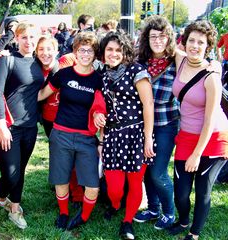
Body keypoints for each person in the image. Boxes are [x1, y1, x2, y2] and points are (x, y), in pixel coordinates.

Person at [167, 20, 228, 240]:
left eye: (200, 42)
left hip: (213, 138)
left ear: (208, 46)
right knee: (181, 192)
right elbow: (160, 41)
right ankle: (183, 220)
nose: (194, 45)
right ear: (184, 41)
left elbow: (210, 120)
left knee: (203, 190)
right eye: (191, 40)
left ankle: (194, 233)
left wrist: (196, 154)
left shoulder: (212, 76)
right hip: (187, 135)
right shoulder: (180, 59)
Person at [38, 31, 103, 231]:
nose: (85, 54)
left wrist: (98, 123)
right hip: (61, 134)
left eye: (89, 50)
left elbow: (101, 107)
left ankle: (83, 217)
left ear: (94, 54)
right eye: (81, 49)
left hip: (86, 138)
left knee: (92, 185)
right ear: (75, 51)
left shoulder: (99, 80)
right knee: (61, 178)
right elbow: (41, 94)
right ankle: (64, 213)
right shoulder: (63, 74)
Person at [93, 31, 155, 240]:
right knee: (114, 186)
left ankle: (127, 221)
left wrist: (148, 138)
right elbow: (101, 106)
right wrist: (100, 134)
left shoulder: (137, 71)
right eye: (109, 49)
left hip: (136, 134)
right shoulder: (101, 74)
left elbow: (148, 104)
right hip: (111, 135)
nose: (113, 53)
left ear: (126, 51)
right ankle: (116, 203)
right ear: (103, 52)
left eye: (118, 50)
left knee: (135, 182)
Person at [0, 22, 44, 229]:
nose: (28, 41)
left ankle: (15, 208)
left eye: (32, 37)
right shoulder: (7, 61)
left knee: (21, 169)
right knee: (11, 174)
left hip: (30, 127)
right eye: (24, 37)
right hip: (9, 127)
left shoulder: (40, 62)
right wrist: (2, 126)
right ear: (17, 38)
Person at [133, 16, 179, 230]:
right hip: (142, 124)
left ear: (169, 38)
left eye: (162, 36)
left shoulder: (176, 62)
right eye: (153, 36)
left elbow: (199, 64)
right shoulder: (140, 61)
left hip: (166, 125)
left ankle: (169, 212)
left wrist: (215, 65)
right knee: (147, 169)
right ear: (146, 38)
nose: (158, 41)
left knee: (158, 171)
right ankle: (153, 208)